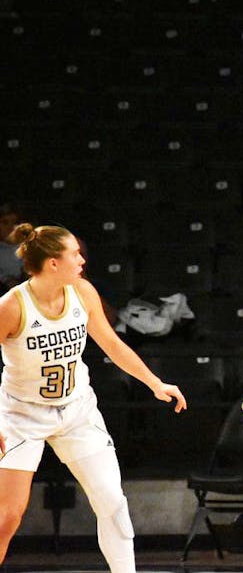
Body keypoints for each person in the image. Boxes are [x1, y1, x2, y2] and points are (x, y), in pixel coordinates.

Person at [0, 224, 187, 571]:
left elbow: (112, 344)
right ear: (53, 263)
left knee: (113, 503)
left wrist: (154, 382)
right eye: (75, 254)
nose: (82, 260)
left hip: (76, 410)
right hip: (21, 414)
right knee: (8, 517)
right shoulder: (11, 306)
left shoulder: (82, 292)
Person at [0, 204, 23, 293]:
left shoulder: (28, 246)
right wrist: (6, 280)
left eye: (15, 223)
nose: (11, 227)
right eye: (5, 222)